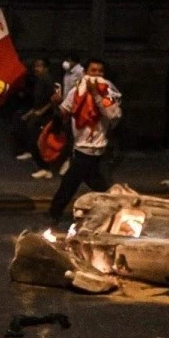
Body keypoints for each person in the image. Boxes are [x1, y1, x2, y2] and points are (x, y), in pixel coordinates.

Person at [48, 59, 122, 225]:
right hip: (82, 150)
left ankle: (54, 213)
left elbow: (112, 114)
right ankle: (54, 213)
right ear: (86, 73)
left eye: (100, 71)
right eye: (93, 71)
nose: (96, 75)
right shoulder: (75, 93)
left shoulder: (107, 96)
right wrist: (55, 104)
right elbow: (64, 113)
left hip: (99, 150)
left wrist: (96, 94)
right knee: (79, 183)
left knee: (81, 183)